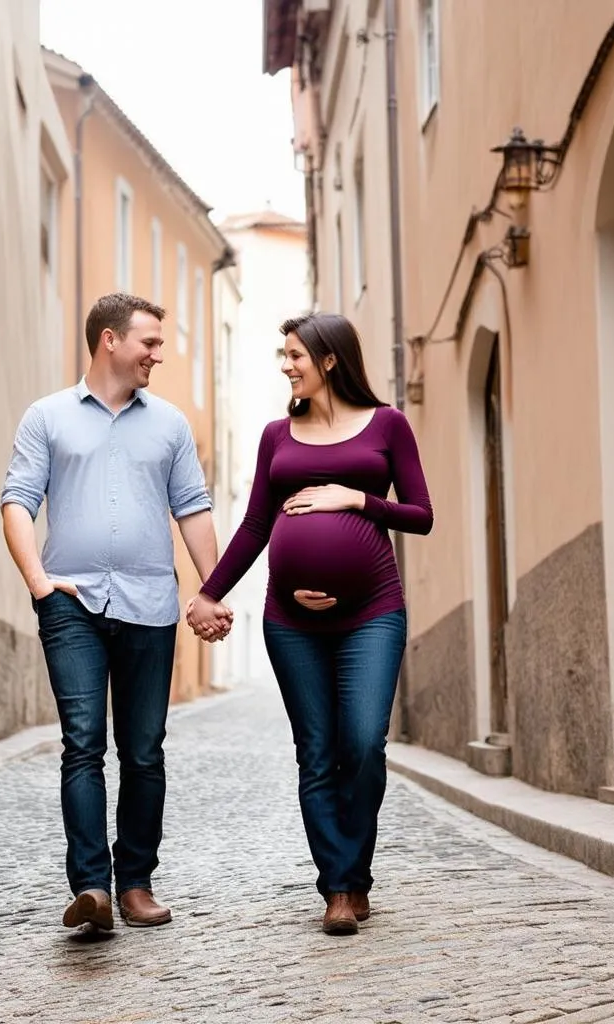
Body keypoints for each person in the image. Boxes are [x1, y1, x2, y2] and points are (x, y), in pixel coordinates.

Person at [187, 312, 432, 936]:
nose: (285, 364)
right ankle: (341, 888)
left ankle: (355, 871)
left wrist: (355, 499)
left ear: (328, 361)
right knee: (317, 754)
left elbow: (421, 514)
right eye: (283, 353)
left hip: (372, 612)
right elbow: (256, 526)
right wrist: (209, 593)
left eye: (294, 354)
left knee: (363, 744)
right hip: (291, 621)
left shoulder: (387, 426)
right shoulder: (278, 435)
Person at [1, 293, 233, 933]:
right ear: (109, 340)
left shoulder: (170, 425)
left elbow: (192, 508)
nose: (158, 354)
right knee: (82, 745)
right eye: (150, 343)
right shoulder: (46, 417)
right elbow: (18, 500)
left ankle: (135, 882)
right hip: (70, 603)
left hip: (149, 604)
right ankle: (91, 889)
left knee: (144, 750)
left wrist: (212, 590)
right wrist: (40, 583)